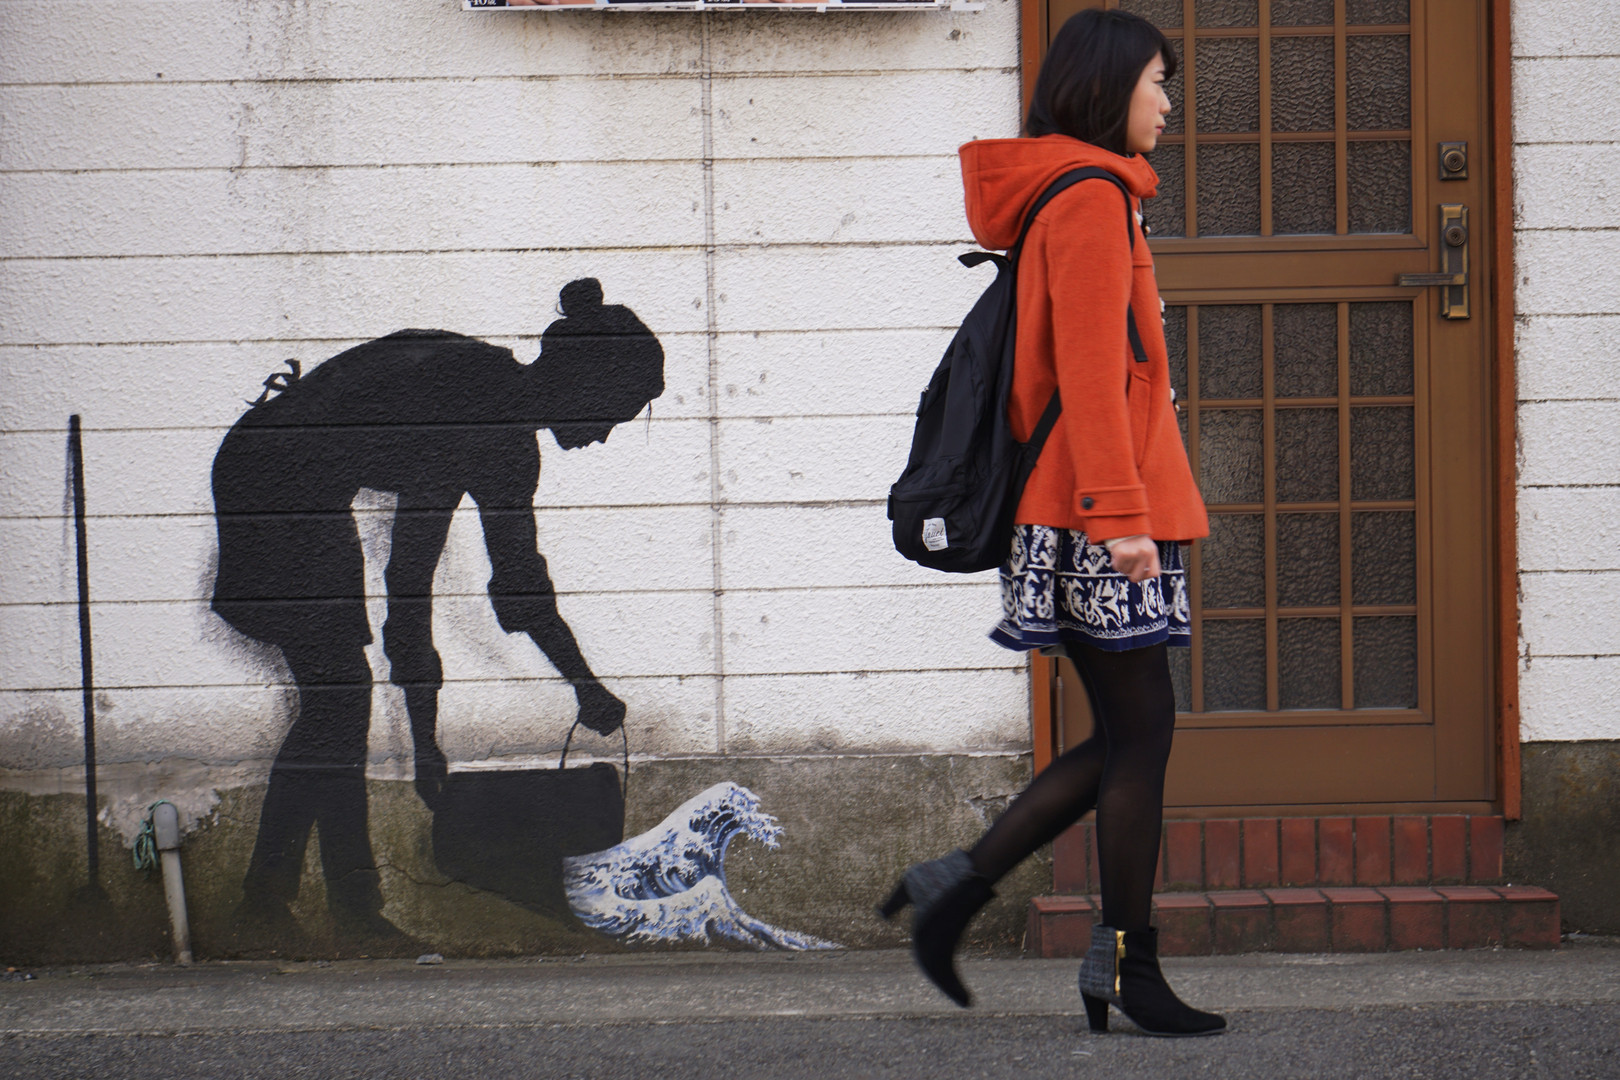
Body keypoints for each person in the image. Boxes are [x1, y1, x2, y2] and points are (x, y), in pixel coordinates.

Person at [879, 10, 1224, 1037]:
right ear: (1110, 87)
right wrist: (1122, 518)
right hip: (1095, 513)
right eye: (1158, 82)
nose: (1169, 104)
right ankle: (1121, 963)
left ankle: (961, 889)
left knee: (1128, 733)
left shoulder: (1080, 193)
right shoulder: (1089, 198)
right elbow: (1090, 373)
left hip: (1083, 510)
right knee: (1142, 735)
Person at [212, 278, 663, 946]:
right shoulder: (472, 400)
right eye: (613, 415)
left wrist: (582, 686)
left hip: (300, 482)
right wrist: (428, 739)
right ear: (585, 387)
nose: (602, 437)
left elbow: (509, 588)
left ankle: (327, 907)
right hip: (270, 473)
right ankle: (309, 907)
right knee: (339, 700)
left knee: (338, 702)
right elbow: (412, 586)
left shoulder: (506, 441)